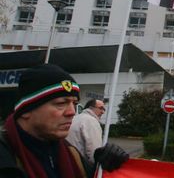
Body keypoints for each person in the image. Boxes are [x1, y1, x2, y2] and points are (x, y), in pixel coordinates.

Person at [0, 64, 128, 178]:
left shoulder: (71, 153)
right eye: (61, 103)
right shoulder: (6, 156)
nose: (72, 112)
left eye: (75, 103)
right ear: (26, 111)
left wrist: (103, 168)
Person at [66, 98, 105, 163]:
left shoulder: (75, 118)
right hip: (81, 166)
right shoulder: (91, 121)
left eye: (104, 109)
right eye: (101, 108)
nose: (103, 112)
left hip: (68, 161)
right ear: (91, 108)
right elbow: (94, 152)